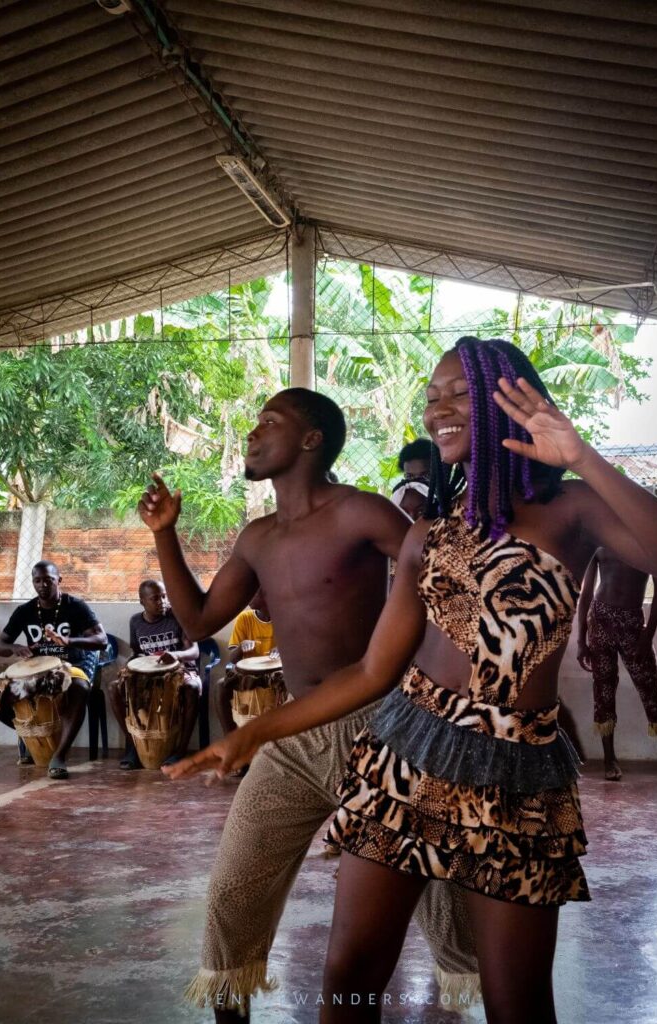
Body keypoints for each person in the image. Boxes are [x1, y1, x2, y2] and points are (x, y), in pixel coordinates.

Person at [169, 339, 657, 1024]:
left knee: (515, 999)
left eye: (456, 394)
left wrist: (582, 455)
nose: (436, 409)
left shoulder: (572, 510)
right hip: (403, 755)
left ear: (510, 401)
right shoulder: (428, 534)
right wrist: (254, 733)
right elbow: (374, 671)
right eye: (430, 397)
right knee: (349, 978)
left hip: (517, 774)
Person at [140, 388, 477, 1021]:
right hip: (297, 727)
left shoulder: (363, 513)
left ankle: (469, 991)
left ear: (310, 440)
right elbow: (199, 619)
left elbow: (439, 584)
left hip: (390, 725)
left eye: (269, 420)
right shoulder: (258, 537)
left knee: (440, 888)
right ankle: (229, 1011)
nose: (252, 431)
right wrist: (166, 536)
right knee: (236, 888)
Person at [577, 547, 657, 781]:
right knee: (603, 692)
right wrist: (580, 640)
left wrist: (648, 635)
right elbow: (586, 593)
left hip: (632, 623)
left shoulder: (646, 544)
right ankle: (609, 760)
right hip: (600, 620)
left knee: (650, 692)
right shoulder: (599, 543)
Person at [0, 560, 107, 778]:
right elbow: (0, 645)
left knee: (79, 688)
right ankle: (31, 737)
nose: (43, 585)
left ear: (59, 580)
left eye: (48, 580)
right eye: (37, 581)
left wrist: (68, 640)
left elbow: (101, 640)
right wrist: (15, 647)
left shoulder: (75, 606)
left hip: (73, 664)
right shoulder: (25, 611)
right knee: (0, 696)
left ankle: (60, 755)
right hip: (39, 670)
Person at [108, 579, 201, 770]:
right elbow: (136, 652)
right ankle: (133, 746)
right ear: (142, 601)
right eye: (155, 598)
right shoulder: (135, 621)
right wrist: (128, 667)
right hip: (149, 676)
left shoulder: (177, 616)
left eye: (164, 596)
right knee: (114, 687)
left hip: (180, 670)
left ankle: (181, 750)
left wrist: (174, 655)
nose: (162, 601)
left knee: (192, 688)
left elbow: (194, 652)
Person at [213, 589, 284, 752]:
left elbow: (297, 650)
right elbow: (232, 658)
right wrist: (241, 647)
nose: (247, 598)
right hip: (248, 675)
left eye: (253, 593)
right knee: (220, 687)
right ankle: (232, 744)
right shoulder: (245, 619)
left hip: (276, 674)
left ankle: (282, 750)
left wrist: (283, 649)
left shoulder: (284, 618)